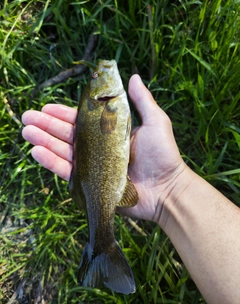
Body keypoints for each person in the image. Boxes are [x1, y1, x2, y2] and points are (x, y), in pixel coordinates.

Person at [22, 74, 240, 304]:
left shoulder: (106, 104)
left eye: (96, 74)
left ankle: (100, 250)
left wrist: (171, 184)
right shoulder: (106, 105)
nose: (103, 70)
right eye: (97, 75)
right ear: (99, 95)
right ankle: (102, 246)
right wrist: (172, 188)